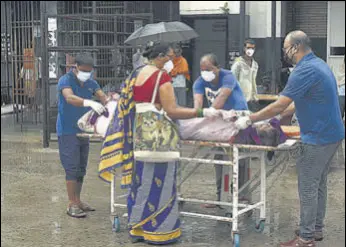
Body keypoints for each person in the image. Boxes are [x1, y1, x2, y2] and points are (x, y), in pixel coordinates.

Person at [235, 31, 345, 247]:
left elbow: (281, 103)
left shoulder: (304, 70)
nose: (285, 52)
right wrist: (277, 117)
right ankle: (316, 229)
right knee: (318, 183)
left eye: (286, 47)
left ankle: (305, 238)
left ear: (295, 47)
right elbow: (296, 102)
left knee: (307, 186)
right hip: (332, 134)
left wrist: (251, 119)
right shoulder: (319, 64)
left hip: (318, 137)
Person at [103, 43, 220, 245]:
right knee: (162, 183)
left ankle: (138, 228)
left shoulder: (136, 75)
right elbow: (172, 110)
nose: (172, 63)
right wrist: (202, 112)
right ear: (160, 57)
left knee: (141, 181)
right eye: (170, 58)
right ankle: (160, 232)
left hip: (140, 135)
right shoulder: (161, 77)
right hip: (160, 139)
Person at [193, 53, 250, 207]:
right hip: (218, 122)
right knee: (219, 159)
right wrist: (198, 118)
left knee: (242, 159)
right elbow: (197, 104)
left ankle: (243, 197)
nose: (205, 72)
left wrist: (210, 110)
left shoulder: (228, 77)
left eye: (209, 69)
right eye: (202, 69)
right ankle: (221, 197)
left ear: (217, 68)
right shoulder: (199, 82)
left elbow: (222, 97)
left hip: (239, 119)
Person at [57, 53, 108, 218]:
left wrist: (110, 102)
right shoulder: (66, 80)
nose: (87, 73)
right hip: (67, 130)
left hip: (83, 130)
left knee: (80, 168)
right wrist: (89, 102)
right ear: (76, 67)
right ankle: (71, 204)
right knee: (71, 167)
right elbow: (69, 97)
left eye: (90, 71)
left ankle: (78, 201)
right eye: (84, 70)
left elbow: (102, 96)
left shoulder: (91, 82)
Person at [231, 39, 259, 112]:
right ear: (244, 48)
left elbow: (253, 82)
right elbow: (232, 81)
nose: (250, 50)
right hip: (240, 98)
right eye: (248, 48)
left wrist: (255, 97)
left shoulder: (255, 64)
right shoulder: (238, 63)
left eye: (252, 48)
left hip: (252, 99)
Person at [336, 55, 345, 120]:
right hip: (342, 93)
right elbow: (339, 78)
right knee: (340, 113)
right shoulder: (342, 68)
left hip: (341, 92)